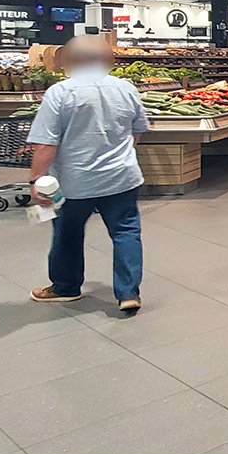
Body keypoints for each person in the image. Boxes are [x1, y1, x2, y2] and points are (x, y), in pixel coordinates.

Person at [27, 35, 149, 312]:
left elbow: (46, 143)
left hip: (74, 182)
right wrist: (118, 153)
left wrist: (37, 180)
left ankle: (66, 287)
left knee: (67, 233)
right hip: (121, 177)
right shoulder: (125, 88)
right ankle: (128, 293)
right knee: (126, 231)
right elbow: (137, 130)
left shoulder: (60, 92)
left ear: (70, 59)